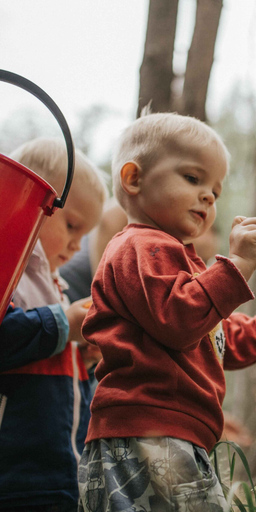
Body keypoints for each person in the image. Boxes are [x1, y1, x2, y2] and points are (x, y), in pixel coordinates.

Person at [77, 112, 256, 511]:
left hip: (166, 435)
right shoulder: (141, 247)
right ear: (133, 178)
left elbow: (220, 339)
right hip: (146, 435)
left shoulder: (178, 264)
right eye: (193, 178)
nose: (208, 197)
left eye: (215, 191)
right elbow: (180, 321)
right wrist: (237, 266)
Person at [0, 138, 107, 512]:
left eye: (84, 235)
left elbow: (40, 350)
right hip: (17, 479)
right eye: (72, 225)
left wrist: (80, 351)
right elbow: (7, 338)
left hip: (59, 473)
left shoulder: (53, 286)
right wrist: (64, 324)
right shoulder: (7, 278)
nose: (77, 245)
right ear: (30, 201)